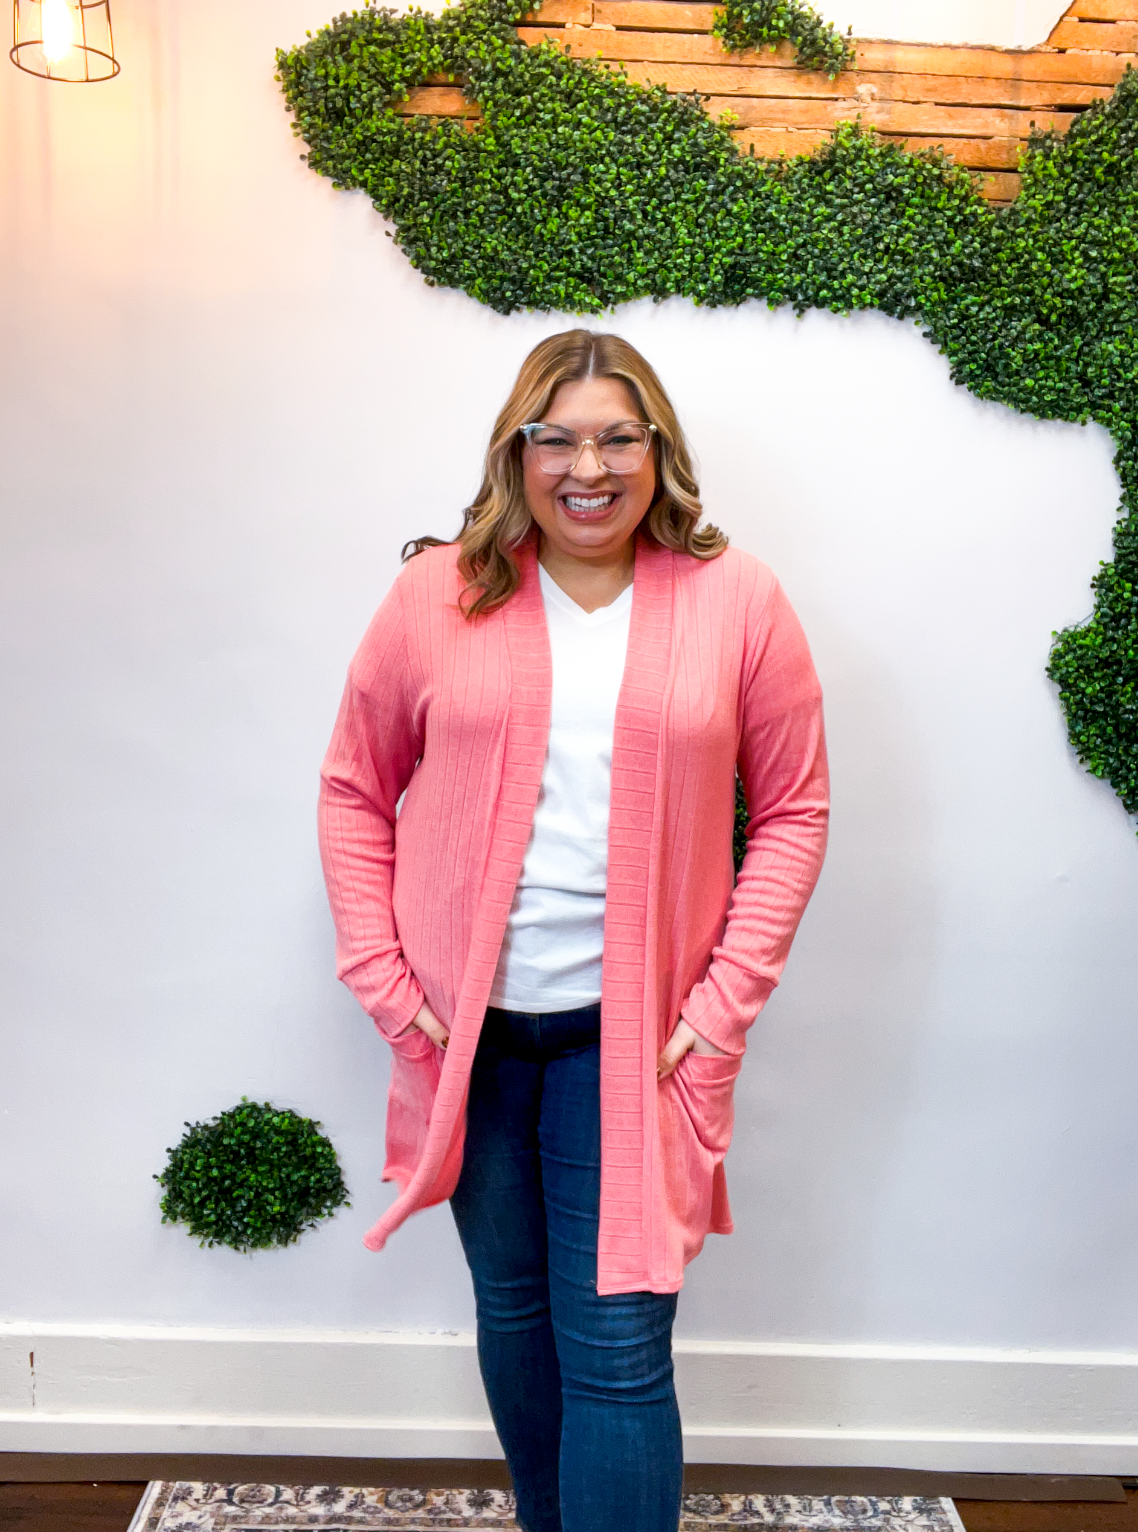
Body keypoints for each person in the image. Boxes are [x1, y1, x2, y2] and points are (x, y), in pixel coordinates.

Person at [318, 329, 829, 1532]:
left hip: (632, 1042)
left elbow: (794, 810)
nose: (586, 467)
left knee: (615, 1343)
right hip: (468, 1040)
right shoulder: (439, 594)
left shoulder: (736, 599)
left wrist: (718, 1012)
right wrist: (389, 985)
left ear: (658, 452)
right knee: (515, 1314)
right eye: (556, 439)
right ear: (517, 453)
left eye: (616, 438)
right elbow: (352, 787)